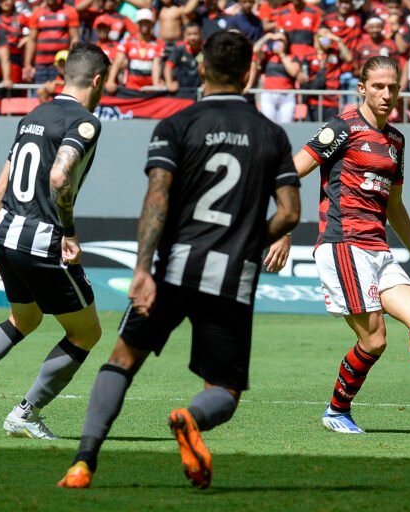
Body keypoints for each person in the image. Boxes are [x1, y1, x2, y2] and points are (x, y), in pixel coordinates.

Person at [57, 30, 301, 489]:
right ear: (249, 73)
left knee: (122, 360)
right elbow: (290, 212)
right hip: (231, 276)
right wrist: (248, 240)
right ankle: (189, 417)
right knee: (224, 392)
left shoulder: (176, 125)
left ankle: (83, 463)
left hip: (174, 266)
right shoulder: (271, 134)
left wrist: (143, 269)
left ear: (202, 69)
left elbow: (157, 197)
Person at [265, 56, 410, 435]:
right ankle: (336, 411)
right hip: (342, 243)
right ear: (362, 88)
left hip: (378, 249)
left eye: (392, 87)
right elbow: (291, 171)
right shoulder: (342, 127)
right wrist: (283, 226)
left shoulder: (395, 141)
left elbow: (394, 205)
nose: (386, 94)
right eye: (378, 86)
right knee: (374, 338)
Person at [0, 42, 111, 440]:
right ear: (97, 80)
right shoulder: (85, 122)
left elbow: (0, 184)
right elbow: (60, 177)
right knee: (87, 333)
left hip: (5, 230)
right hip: (43, 238)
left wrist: (4, 244)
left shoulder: (32, 115)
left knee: (24, 319)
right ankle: (26, 413)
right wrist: (68, 231)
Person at [23, 0, 80, 84]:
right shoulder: (37, 13)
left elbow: (74, 38)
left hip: (61, 64)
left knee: (60, 93)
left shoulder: (70, 11)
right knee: (39, 93)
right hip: (40, 64)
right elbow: (32, 40)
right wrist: (27, 64)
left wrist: (71, 61)